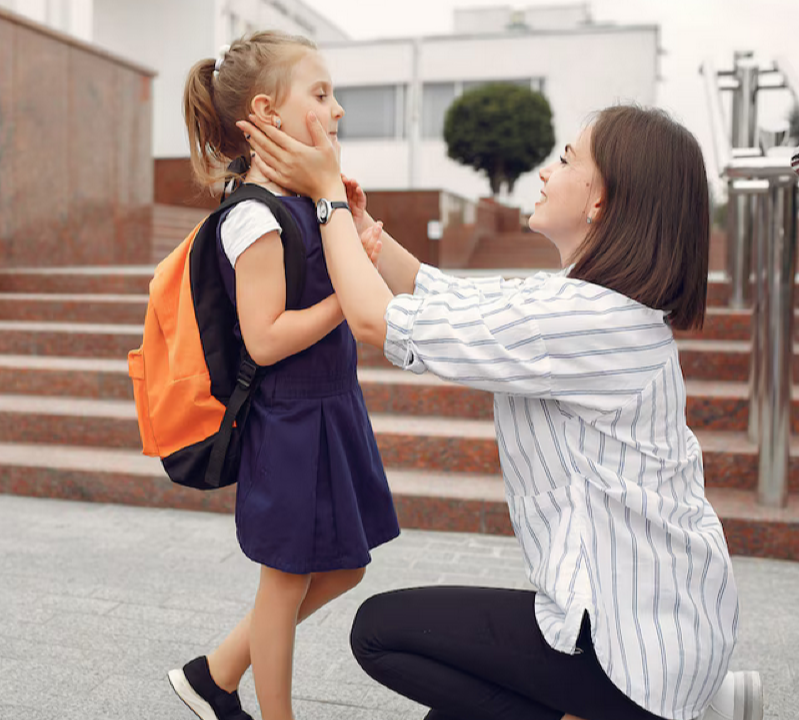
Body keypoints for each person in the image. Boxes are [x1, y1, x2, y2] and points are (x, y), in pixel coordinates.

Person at [237, 104, 763, 720]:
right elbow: (444, 295)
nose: (546, 172)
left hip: (633, 648)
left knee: (381, 632)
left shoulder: (583, 320)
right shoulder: (585, 303)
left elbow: (375, 321)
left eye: (566, 159)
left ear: (601, 201)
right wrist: (359, 223)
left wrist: (325, 197)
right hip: (663, 620)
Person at [169, 31, 400, 720]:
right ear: (267, 112)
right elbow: (266, 341)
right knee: (286, 579)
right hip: (292, 420)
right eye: (321, 94)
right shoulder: (253, 217)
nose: (335, 112)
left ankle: (214, 674)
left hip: (331, 408)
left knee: (345, 564)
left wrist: (352, 234)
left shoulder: (305, 199)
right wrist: (346, 296)